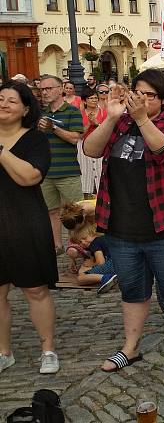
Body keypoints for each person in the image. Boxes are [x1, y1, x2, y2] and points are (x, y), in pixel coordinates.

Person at [83, 69, 164, 374]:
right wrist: (109, 117)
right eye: (138, 92)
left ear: (162, 100)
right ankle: (130, 347)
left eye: (150, 95)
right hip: (122, 227)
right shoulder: (118, 125)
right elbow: (90, 150)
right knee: (133, 289)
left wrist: (142, 119)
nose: (142, 99)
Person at [0, 81, 60, 375]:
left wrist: (0, 150)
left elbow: (29, 177)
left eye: (11, 100)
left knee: (35, 290)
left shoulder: (35, 140)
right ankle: (3, 352)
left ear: (25, 109)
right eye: (0, 98)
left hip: (25, 222)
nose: (3, 104)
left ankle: (47, 349)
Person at [37, 75, 84, 252]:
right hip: (46, 172)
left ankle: (80, 245)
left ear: (60, 89)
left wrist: (54, 128)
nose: (45, 92)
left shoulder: (72, 111)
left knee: (76, 212)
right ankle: (57, 246)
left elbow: (74, 138)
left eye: (48, 88)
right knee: (51, 211)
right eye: (42, 89)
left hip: (68, 171)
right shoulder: (42, 113)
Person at [61, 202, 117, 293]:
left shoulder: (95, 243)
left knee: (80, 277)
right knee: (83, 269)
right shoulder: (102, 239)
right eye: (80, 242)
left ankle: (106, 278)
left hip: (114, 264)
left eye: (84, 238)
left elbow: (101, 263)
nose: (83, 242)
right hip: (121, 261)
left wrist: (91, 265)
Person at [77, 89, 106, 198]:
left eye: (95, 98)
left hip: (99, 144)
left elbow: (106, 131)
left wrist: (97, 123)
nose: (94, 100)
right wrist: (89, 123)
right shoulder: (79, 114)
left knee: (100, 172)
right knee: (85, 173)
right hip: (83, 145)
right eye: (91, 98)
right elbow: (79, 135)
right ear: (84, 101)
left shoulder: (104, 112)